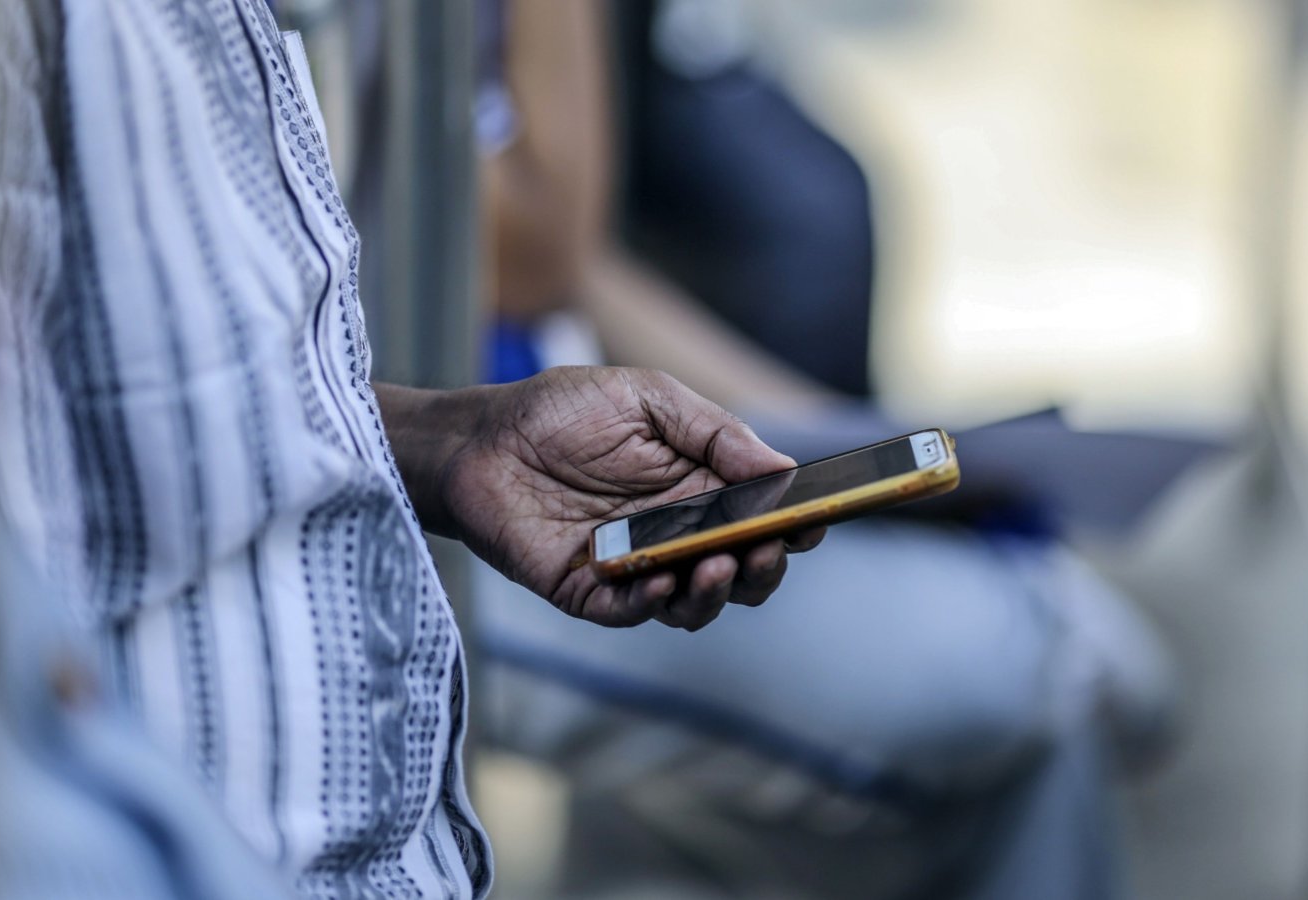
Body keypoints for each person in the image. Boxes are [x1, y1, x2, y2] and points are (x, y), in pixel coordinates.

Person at [0, 1, 820, 898]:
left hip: (396, 824)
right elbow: (544, 246)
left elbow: (143, 378)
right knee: (936, 683)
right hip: (217, 846)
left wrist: (441, 436)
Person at [467, 2, 1176, 897]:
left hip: (557, 464)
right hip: (453, 516)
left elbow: (581, 274)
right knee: (1054, 678)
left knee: (1061, 674)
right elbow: (540, 252)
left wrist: (816, 431)